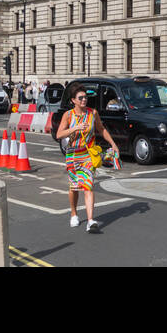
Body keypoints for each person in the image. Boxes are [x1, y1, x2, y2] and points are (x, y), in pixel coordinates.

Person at [56, 85, 116, 232]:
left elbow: (101, 129)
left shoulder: (92, 113)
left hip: (87, 155)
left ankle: (90, 221)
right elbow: (59, 135)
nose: (84, 100)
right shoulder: (68, 115)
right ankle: (74, 213)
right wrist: (75, 128)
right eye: (80, 98)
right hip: (73, 155)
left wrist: (113, 144)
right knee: (74, 187)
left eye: (85, 97)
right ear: (73, 101)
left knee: (88, 186)